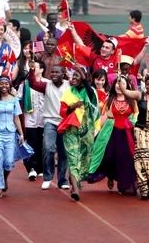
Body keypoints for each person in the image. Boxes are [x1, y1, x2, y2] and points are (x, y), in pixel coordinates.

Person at [88, 74, 138, 195]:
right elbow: (105, 116)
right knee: (109, 156)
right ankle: (110, 176)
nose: (119, 86)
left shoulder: (132, 100)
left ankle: (124, 185)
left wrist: (133, 123)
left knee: (125, 159)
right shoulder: (109, 99)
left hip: (127, 134)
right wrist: (95, 130)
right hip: (111, 132)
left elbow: (136, 114)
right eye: (117, 83)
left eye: (122, 84)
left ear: (127, 87)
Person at [59, 66, 98, 201]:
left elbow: (89, 90)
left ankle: (76, 179)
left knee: (85, 158)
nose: (74, 78)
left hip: (87, 131)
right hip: (71, 130)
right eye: (72, 76)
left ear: (84, 78)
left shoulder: (90, 92)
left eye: (77, 76)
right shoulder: (68, 92)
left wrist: (82, 73)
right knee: (73, 158)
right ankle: (75, 189)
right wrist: (74, 106)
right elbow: (63, 112)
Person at [28, 64, 70, 190]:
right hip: (50, 121)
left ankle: (62, 180)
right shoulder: (47, 86)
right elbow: (32, 84)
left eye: (57, 72)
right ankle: (47, 177)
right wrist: (31, 70)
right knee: (48, 147)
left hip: (65, 122)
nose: (54, 75)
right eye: (52, 72)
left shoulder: (69, 85)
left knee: (63, 153)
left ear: (63, 74)